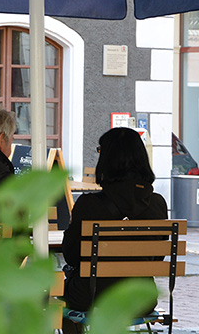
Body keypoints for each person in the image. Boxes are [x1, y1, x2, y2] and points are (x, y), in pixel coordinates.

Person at [61, 127, 167, 317]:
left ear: (107, 159)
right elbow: (157, 258)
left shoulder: (89, 204)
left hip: (91, 297)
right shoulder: (158, 203)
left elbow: (71, 255)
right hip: (141, 300)